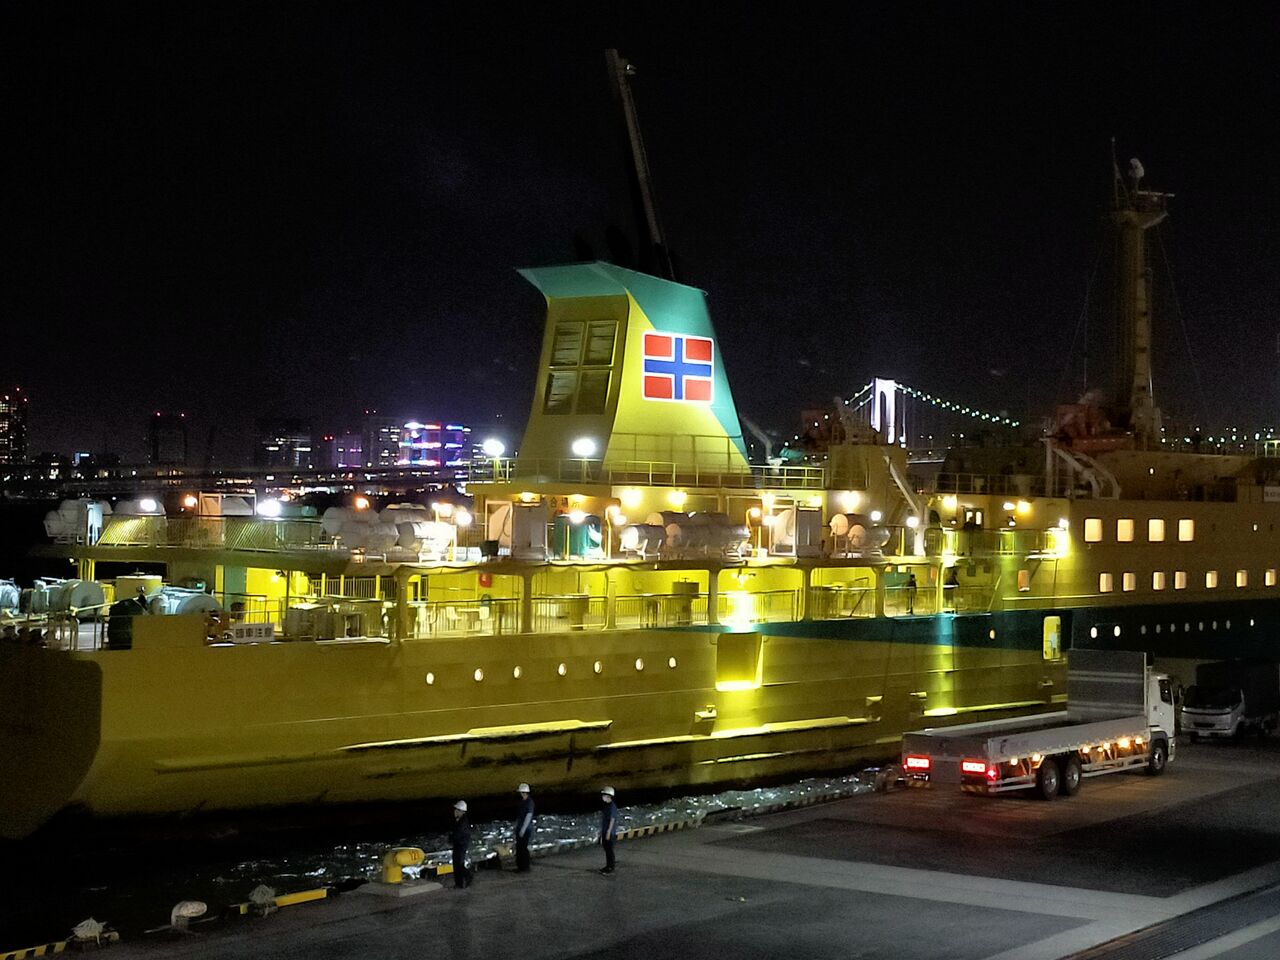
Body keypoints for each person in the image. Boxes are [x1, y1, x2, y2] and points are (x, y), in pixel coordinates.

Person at [450, 800, 472, 889]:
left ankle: (467, 876)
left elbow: (458, 834)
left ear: (461, 811)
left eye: (456, 810)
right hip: (459, 844)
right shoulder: (460, 820)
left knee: (458, 864)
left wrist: (451, 839)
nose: (454, 812)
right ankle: (459, 883)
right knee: (457, 864)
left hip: (461, 845)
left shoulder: (462, 822)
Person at [515, 783, 535, 873]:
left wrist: (523, 829)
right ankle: (521, 866)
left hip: (526, 828)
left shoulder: (529, 802)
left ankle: (525, 867)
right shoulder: (522, 801)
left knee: (523, 847)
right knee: (519, 847)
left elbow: (528, 816)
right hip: (521, 827)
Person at [598, 785, 618, 874]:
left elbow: (612, 819)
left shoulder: (612, 806)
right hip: (605, 830)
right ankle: (608, 866)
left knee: (609, 850)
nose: (602, 797)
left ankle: (611, 867)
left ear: (608, 796)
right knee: (607, 850)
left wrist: (608, 832)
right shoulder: (607, 806)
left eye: (604, 795)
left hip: (609, 832)